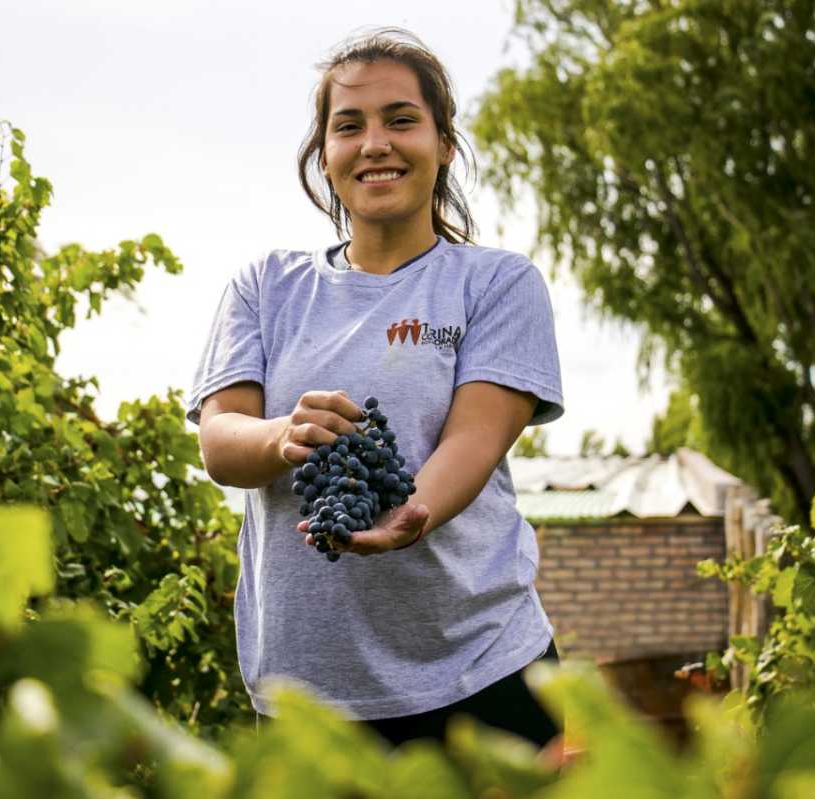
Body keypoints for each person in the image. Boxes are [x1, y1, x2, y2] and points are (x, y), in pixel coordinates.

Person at [187, 27, 565, 751]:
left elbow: (475, 438)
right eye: (348, 126)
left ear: (443, 144)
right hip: (306, 695)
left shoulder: (496, 284)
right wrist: (283, 435)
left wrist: (409, 514)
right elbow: (220, 439)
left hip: (482, 671)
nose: (375, 144)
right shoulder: (265, 287)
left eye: (401, 120)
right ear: (324, 155)